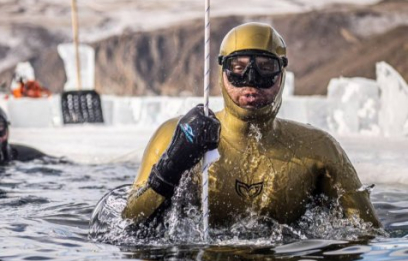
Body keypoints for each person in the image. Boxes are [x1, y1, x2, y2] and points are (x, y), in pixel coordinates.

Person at [122, 22, 381, 228]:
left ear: (282, 74)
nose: (251, 81)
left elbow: (366, 231)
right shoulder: (175, 135)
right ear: (222, 72)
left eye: (266, 69)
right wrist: (172, 164)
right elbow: (128, 221)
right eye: (238, 68)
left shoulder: (319, 149)